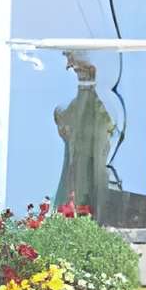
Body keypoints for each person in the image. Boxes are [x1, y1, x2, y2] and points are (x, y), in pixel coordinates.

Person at [52, 53, 118, 219]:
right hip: (77, 181)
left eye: (72, 60)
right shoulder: (77, 108)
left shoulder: (97, 109)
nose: (68, 64)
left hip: (88, 181)